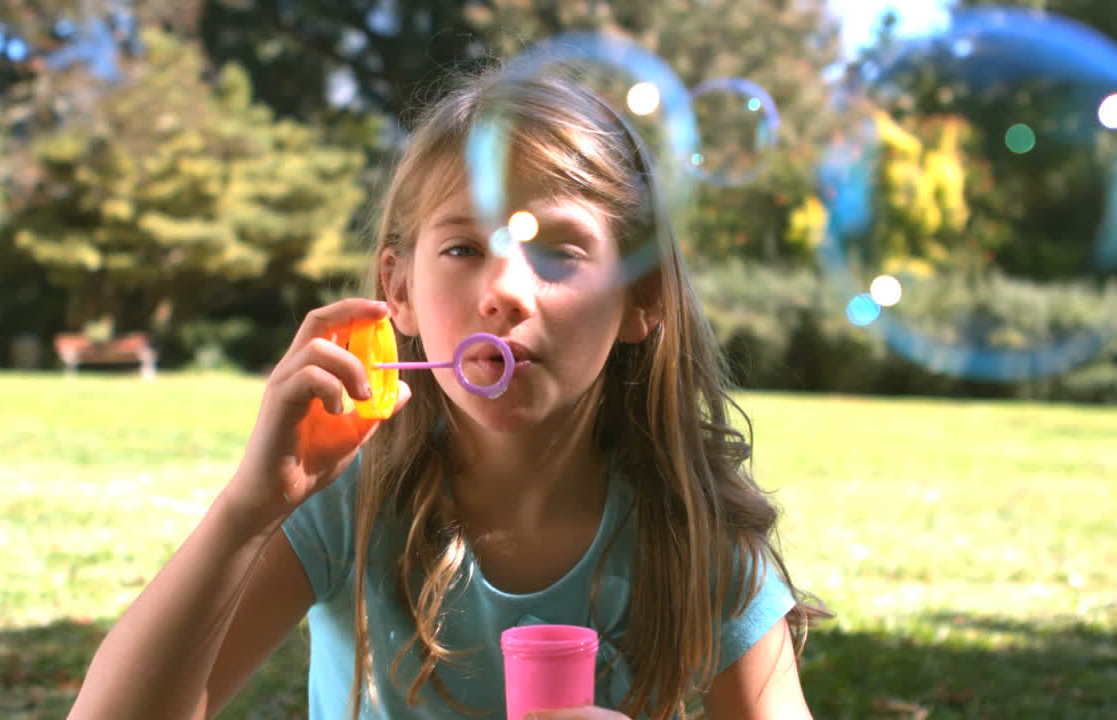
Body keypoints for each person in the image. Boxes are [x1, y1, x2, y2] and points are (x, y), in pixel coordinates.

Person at [69, 68, 827, 720]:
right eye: (464, 248)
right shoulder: (348, 501)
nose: (504, 290)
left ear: (642, 298)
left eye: (557, 251)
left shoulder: (692, 533)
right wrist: (249, 509)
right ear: (398, 291)